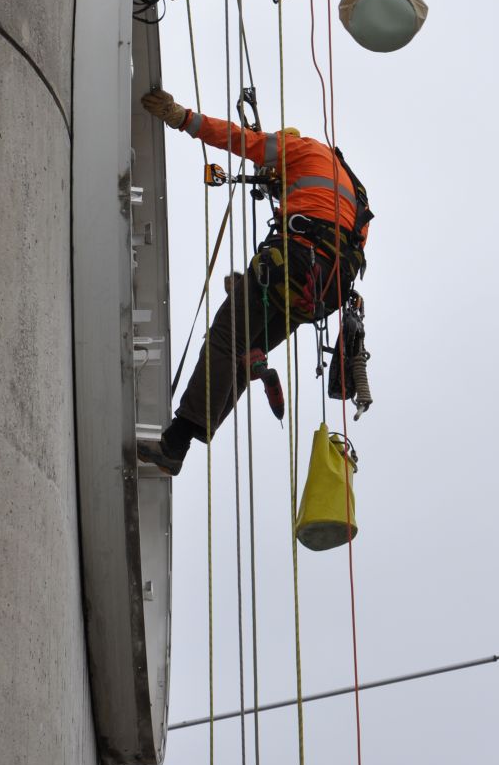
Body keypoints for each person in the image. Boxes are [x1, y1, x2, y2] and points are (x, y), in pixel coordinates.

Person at [136, 88, 372, 476]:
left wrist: (182, 118)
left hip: (291, 267)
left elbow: (242, 141)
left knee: (226, 339)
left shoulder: (299, 149)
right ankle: (180, 441)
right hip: (321, 294)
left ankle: (176, 442)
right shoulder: (354, 192)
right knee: (244, 353)